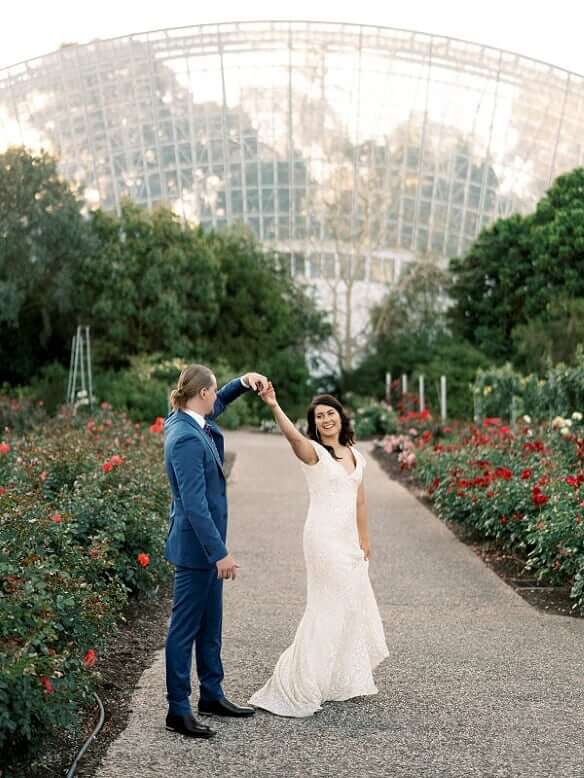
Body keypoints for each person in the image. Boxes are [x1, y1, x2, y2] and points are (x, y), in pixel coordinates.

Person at [249, 383, 388, 717]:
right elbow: (293, 438)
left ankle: (337, 680)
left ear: (341, 416)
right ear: (314, 423)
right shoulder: (314, 452)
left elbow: (361, 500)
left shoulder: (356, 456)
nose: (326, 419)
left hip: (348, 541)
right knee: (327, 608)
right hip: (322, 539)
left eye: (330, 413)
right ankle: (301, 682)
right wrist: (273, 405)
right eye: (319, 416)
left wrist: (364, 538)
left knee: (349, 608)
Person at [163, 364, 267, 739]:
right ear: (202, 393)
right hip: (197, 550)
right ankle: (178, 709)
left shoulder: (185, 418)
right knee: (184, 630)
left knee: (210, 625)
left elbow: (219, 402)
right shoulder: (188, 437)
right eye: (213, 393)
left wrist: (242, 383)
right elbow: (193, 504)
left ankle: (212, 694)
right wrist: (218, 552)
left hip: (205, 547)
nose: (216, 399)